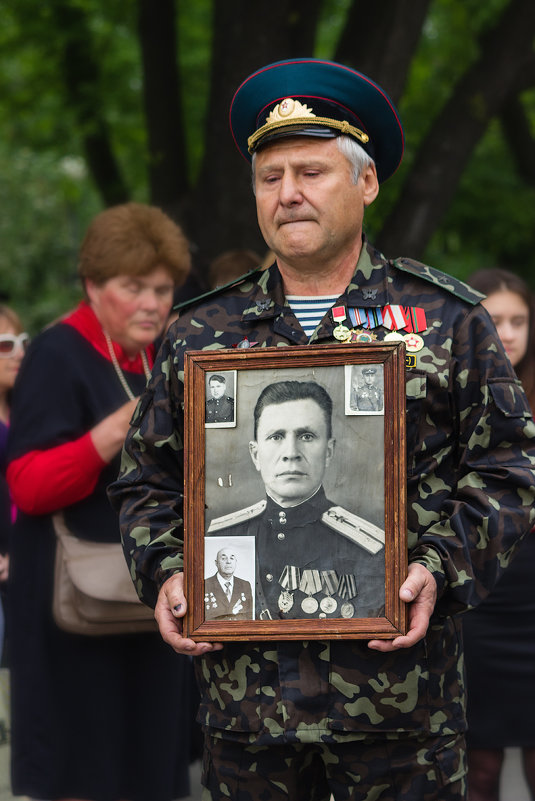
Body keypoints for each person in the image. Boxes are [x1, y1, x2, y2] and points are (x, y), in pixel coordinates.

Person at [109, 60, 535, 801]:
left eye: (310, 171)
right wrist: (169, 570)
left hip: (400, 707)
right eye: (269, 177)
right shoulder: (200, 332)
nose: (288, 194)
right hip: (248, 712)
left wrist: (437, 566)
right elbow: (146, 478)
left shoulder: (446, 319)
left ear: (364, 183)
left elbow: (508, 468)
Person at [6, 203, 199, 801]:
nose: (151, 303)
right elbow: (28, 486)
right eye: (132, 287)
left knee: (152, 772)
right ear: (93, 286)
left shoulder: (160, 355)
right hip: (71, 608)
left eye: (162, 288)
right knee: (83, 776)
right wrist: (111, 433)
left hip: (149, 602)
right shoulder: (58, 353)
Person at [207, 379, 385, 619]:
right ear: (255, 454)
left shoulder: (368, 548)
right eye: (276, 437)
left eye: (307, 436)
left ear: (329, 452)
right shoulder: (221, 536)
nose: (291, 453)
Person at [461, 268, 535, 801]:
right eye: (494, 320)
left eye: (519, 320)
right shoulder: (449, 399)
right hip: (478, 602)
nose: (506, 332)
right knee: (478, 768)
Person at [0, 306, 28, 666]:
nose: (20, 352)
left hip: (25, 561)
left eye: (23, 342)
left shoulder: (26, 409)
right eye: (6, 346)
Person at [204, 546, 254, 620]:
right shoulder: (205, 585)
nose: (228, 561)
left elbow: (249, 617)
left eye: (232, 558)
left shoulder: (245, 585)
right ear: (216, 563)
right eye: (223, 558)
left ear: (235, 562)